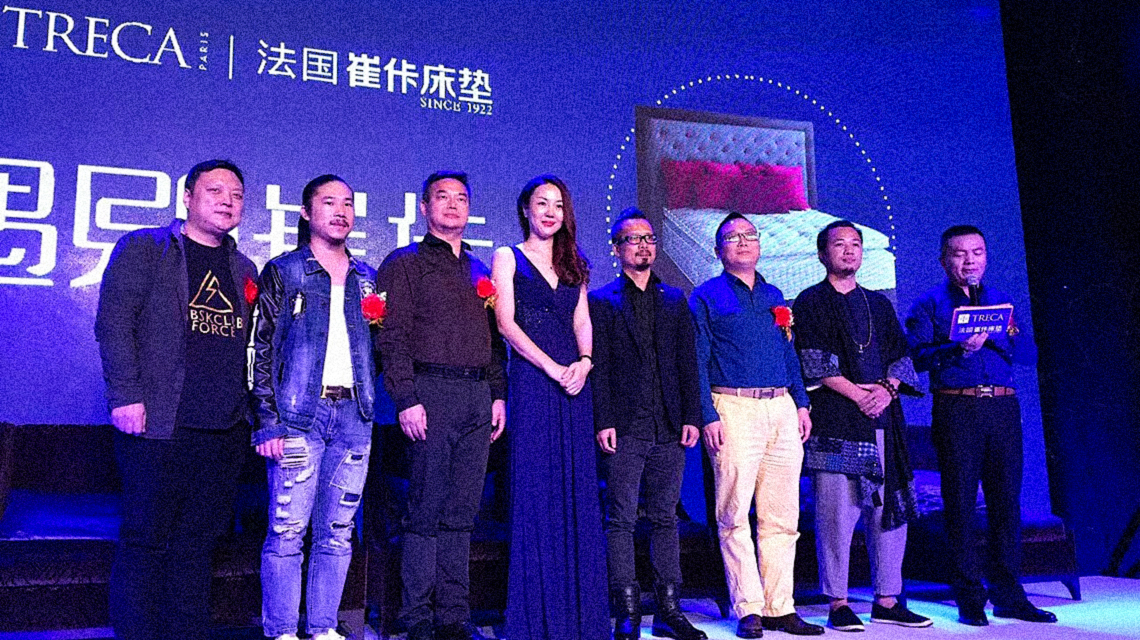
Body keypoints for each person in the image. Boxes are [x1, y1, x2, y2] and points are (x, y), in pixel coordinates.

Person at [95, 159, 257, 640]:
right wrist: (125, 395)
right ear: (187, 197)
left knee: (198, 545)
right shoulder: (146, 248)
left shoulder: (243, 267)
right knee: (144, 539)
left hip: (223, 429)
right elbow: (114, 324)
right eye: (215, 191)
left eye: (236, 195)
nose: (227, 201)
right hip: (158, 425)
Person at [377, 171, 507, 640]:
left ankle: (454, 616)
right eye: (442, 197)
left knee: (463, 513)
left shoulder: (479, 268)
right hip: (430, 392)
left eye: (461, 198)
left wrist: (497, 394)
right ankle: (416, 617)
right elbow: (391, 337)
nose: (453, 205)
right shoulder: (405, 263)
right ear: (424, 207)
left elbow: (494, 340)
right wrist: (406, 398)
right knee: (425, 511)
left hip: (477, 396)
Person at [905, 225, 1055, 626]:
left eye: (977, 252)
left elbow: (1028, 354)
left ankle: (1009, 594)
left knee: (1007, 501)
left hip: (1002, 408)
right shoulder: (929, 304)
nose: (969, 261)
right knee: (960, 503)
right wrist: (958, 346)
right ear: (944, 260)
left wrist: (995, 337)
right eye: (960, 254)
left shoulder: (1001, 302)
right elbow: (915, 358)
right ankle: (969, 595)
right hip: (958, 408)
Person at [249, 175, 377, 640]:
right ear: (306, 212)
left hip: (354, 417)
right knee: (287, 531)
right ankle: (282, 631)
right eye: (329, 202)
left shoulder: (367, 277)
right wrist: (267, 422)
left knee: (338, 532)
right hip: (298, 416)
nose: (341, 211)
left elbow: (376, 350)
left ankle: (323, 628)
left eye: (348, 203)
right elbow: (260, 348)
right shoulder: (285, 271)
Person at [792, 221, 932, 632]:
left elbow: (901, 358)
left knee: (888, 514)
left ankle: (887, 599)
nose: (849, 251)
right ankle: (837, 602)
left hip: (884, 420)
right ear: (823, 254)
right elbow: (813, 361)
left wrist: (886, 391)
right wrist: (859, 395)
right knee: (836, 517)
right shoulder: (810, 301)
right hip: (837, 424)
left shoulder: (879, 303)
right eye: (840, 244)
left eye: (856, 244)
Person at [690, 213, 823, 638]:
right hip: (733, 406)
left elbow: (788, 352)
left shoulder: (774, 293)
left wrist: (801, 403)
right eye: (733, 237)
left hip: (781, 406)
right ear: (718, 250)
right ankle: (748, 607)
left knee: (782, 514)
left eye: (750, 235)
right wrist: (707, 414)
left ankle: (780, 606)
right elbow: (696, 361)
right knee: (733, 514)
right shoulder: (705, 296)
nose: (744, 242)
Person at [491, 174, 608, 640]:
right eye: (542, 203)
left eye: (558, 205)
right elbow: (506, 324)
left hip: (574, 386)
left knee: (577, 494)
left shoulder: (575, 263)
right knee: (537, 494)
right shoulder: (507, 257)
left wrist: (584, 362)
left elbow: (582, 320)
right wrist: (552, 367)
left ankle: (580, 618)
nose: (550, 212)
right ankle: (536, 619)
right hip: (534, 382)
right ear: (526, 209)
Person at [589, 208, 708, 640]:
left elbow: (687, 364)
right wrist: (603, 420)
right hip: (625, 426)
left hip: (669, 425)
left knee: (665, 517)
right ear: (617, 248)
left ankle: (669, 611)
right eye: (633, 239)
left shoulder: (674, 299)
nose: (643, 246)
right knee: (620, 518)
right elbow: (599, 367)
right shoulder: (602, 300)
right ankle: (627, 611)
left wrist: (691, 416)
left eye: (649, 238)